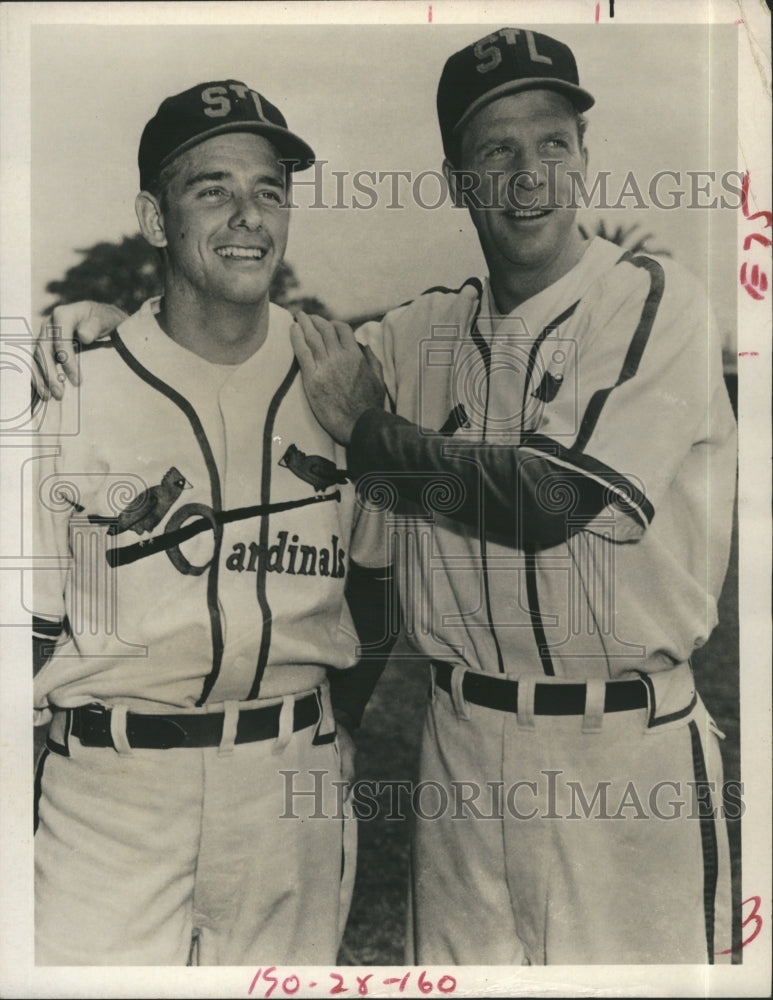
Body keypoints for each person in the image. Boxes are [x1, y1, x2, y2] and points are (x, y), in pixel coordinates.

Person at [36, 29, 738, 966]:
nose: (529, 174)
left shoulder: (655, 302)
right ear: (457, 180)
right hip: (459, 747)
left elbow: (545, 503)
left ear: (584, 159)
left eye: (553, 143)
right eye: (496, 149)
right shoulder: (419, 336)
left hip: (622, 751)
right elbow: (234, 352)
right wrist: (110, 331)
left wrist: (372, 435)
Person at [30, 79, 388, 966]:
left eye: (269, 190)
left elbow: (376, 587)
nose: (248, 217)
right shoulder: (73, 387)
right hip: (111, 792)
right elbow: (28, 633)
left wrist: (332, 727)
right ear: (155, 219)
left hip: (289, 783)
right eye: (213, 189)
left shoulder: (343, 378)